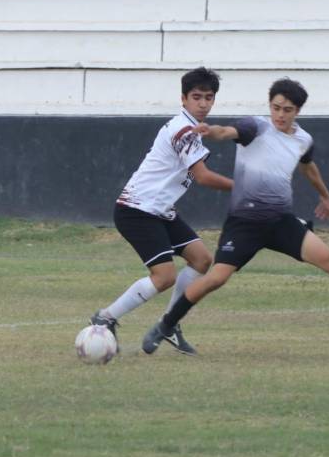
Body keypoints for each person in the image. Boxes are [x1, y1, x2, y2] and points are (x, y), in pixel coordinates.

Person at [142, 78, 329, 355]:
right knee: (216, 278)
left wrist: (325, 196)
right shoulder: (256, 127)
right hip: (244, 224)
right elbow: (227, 131)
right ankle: (165, 325)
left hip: (281, 222)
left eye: (287, 110)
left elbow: (308, 167)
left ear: (297, 112)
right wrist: (212, 131)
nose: (280, 114)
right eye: (276, 107)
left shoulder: (303, 140)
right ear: (270, 105)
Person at [90, 67, 233, 355]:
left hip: (159, 210)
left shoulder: (191, 129)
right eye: (196, 97)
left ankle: (169, 324)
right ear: (183, 99)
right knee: (164, 276)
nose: (203, 103)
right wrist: (244, 188)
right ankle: (105, 318)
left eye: (209, 97)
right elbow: (203, 177)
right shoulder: (184, 130)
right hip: (137, 210)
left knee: (202, 260)